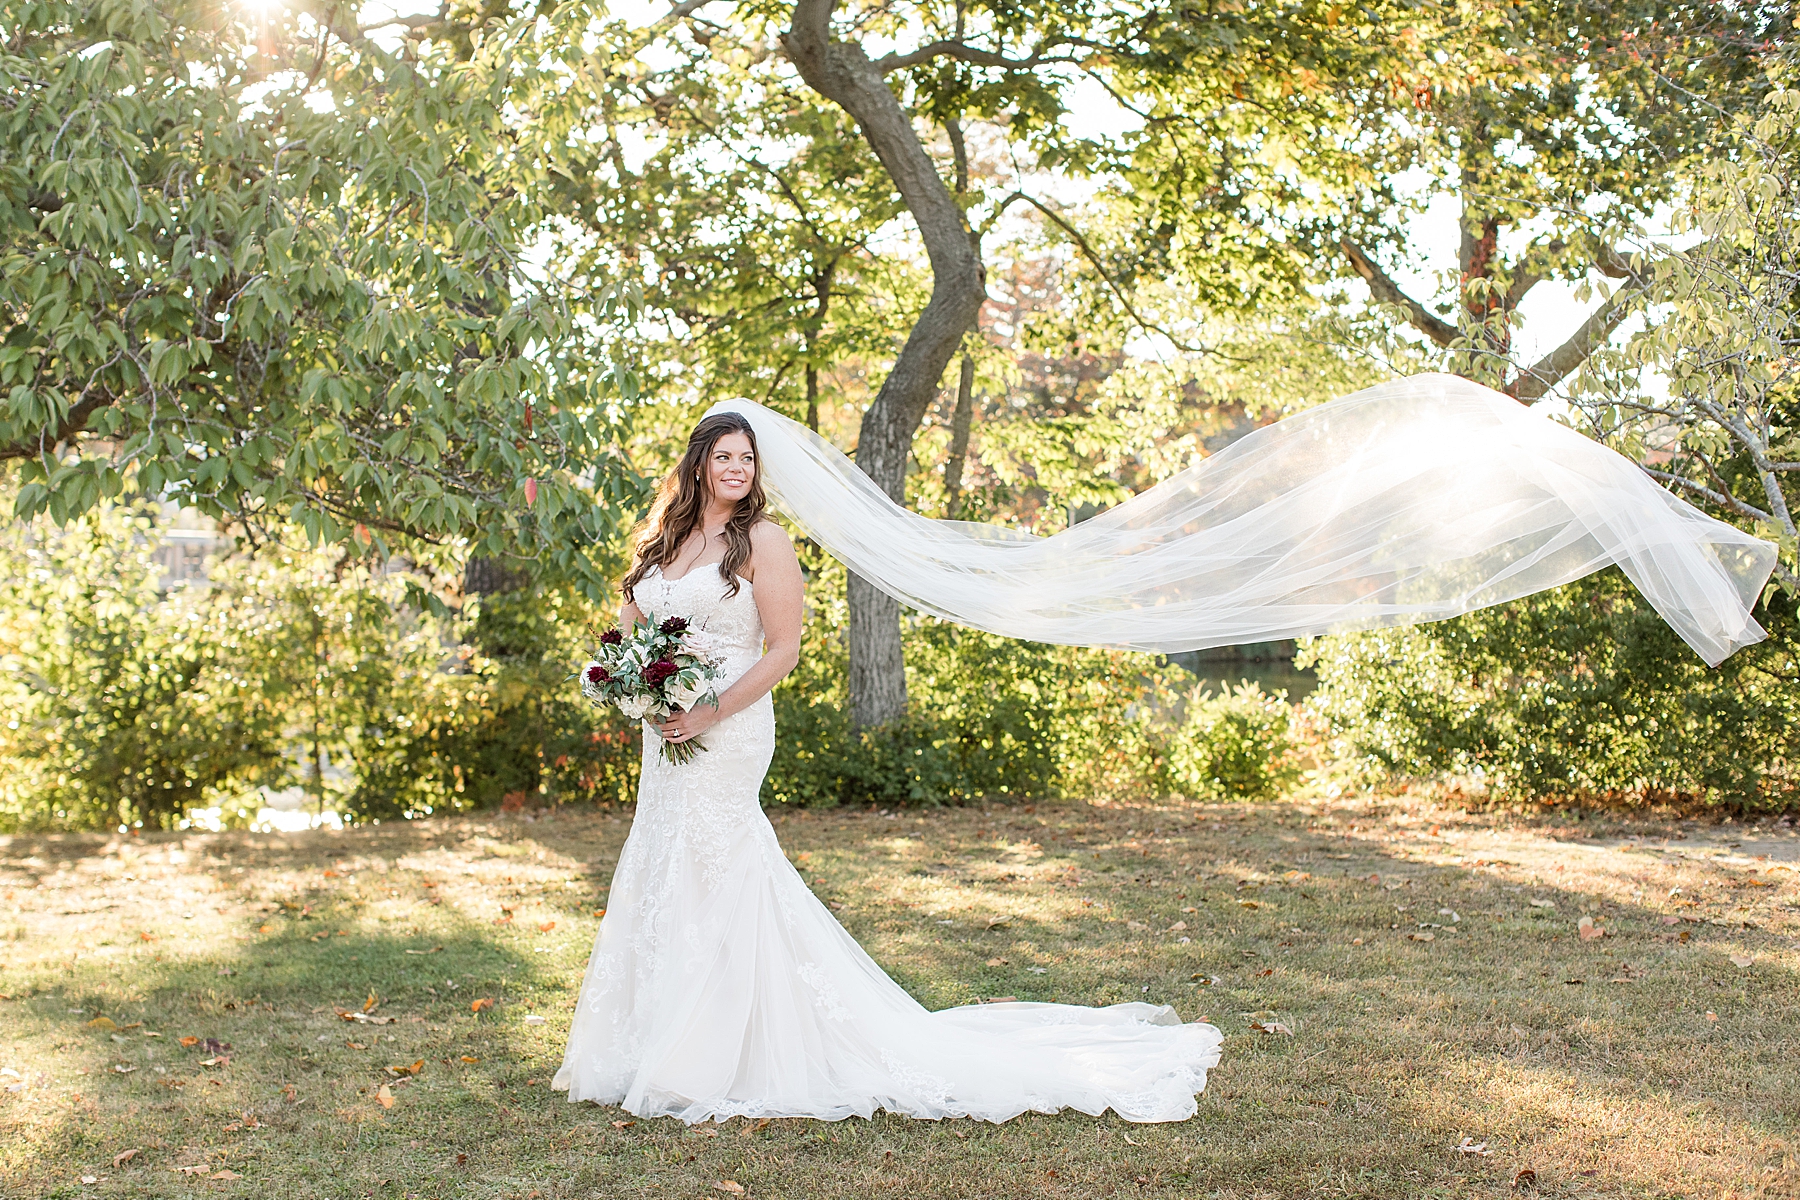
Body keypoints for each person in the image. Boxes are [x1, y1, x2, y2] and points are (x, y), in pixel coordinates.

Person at [552, 411, 1223, 1124]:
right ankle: (655, 1040)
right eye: (723, 457)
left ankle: (720, 1053)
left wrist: (711, 709)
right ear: (698, 464)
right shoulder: (663, 541)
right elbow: (629, 627)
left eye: (747, 459)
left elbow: (782, 650)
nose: (737, 470)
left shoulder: (764, 543)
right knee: (664, 862)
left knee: (719, 863)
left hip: (730, 724)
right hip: (666, 732)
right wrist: (632, 685)